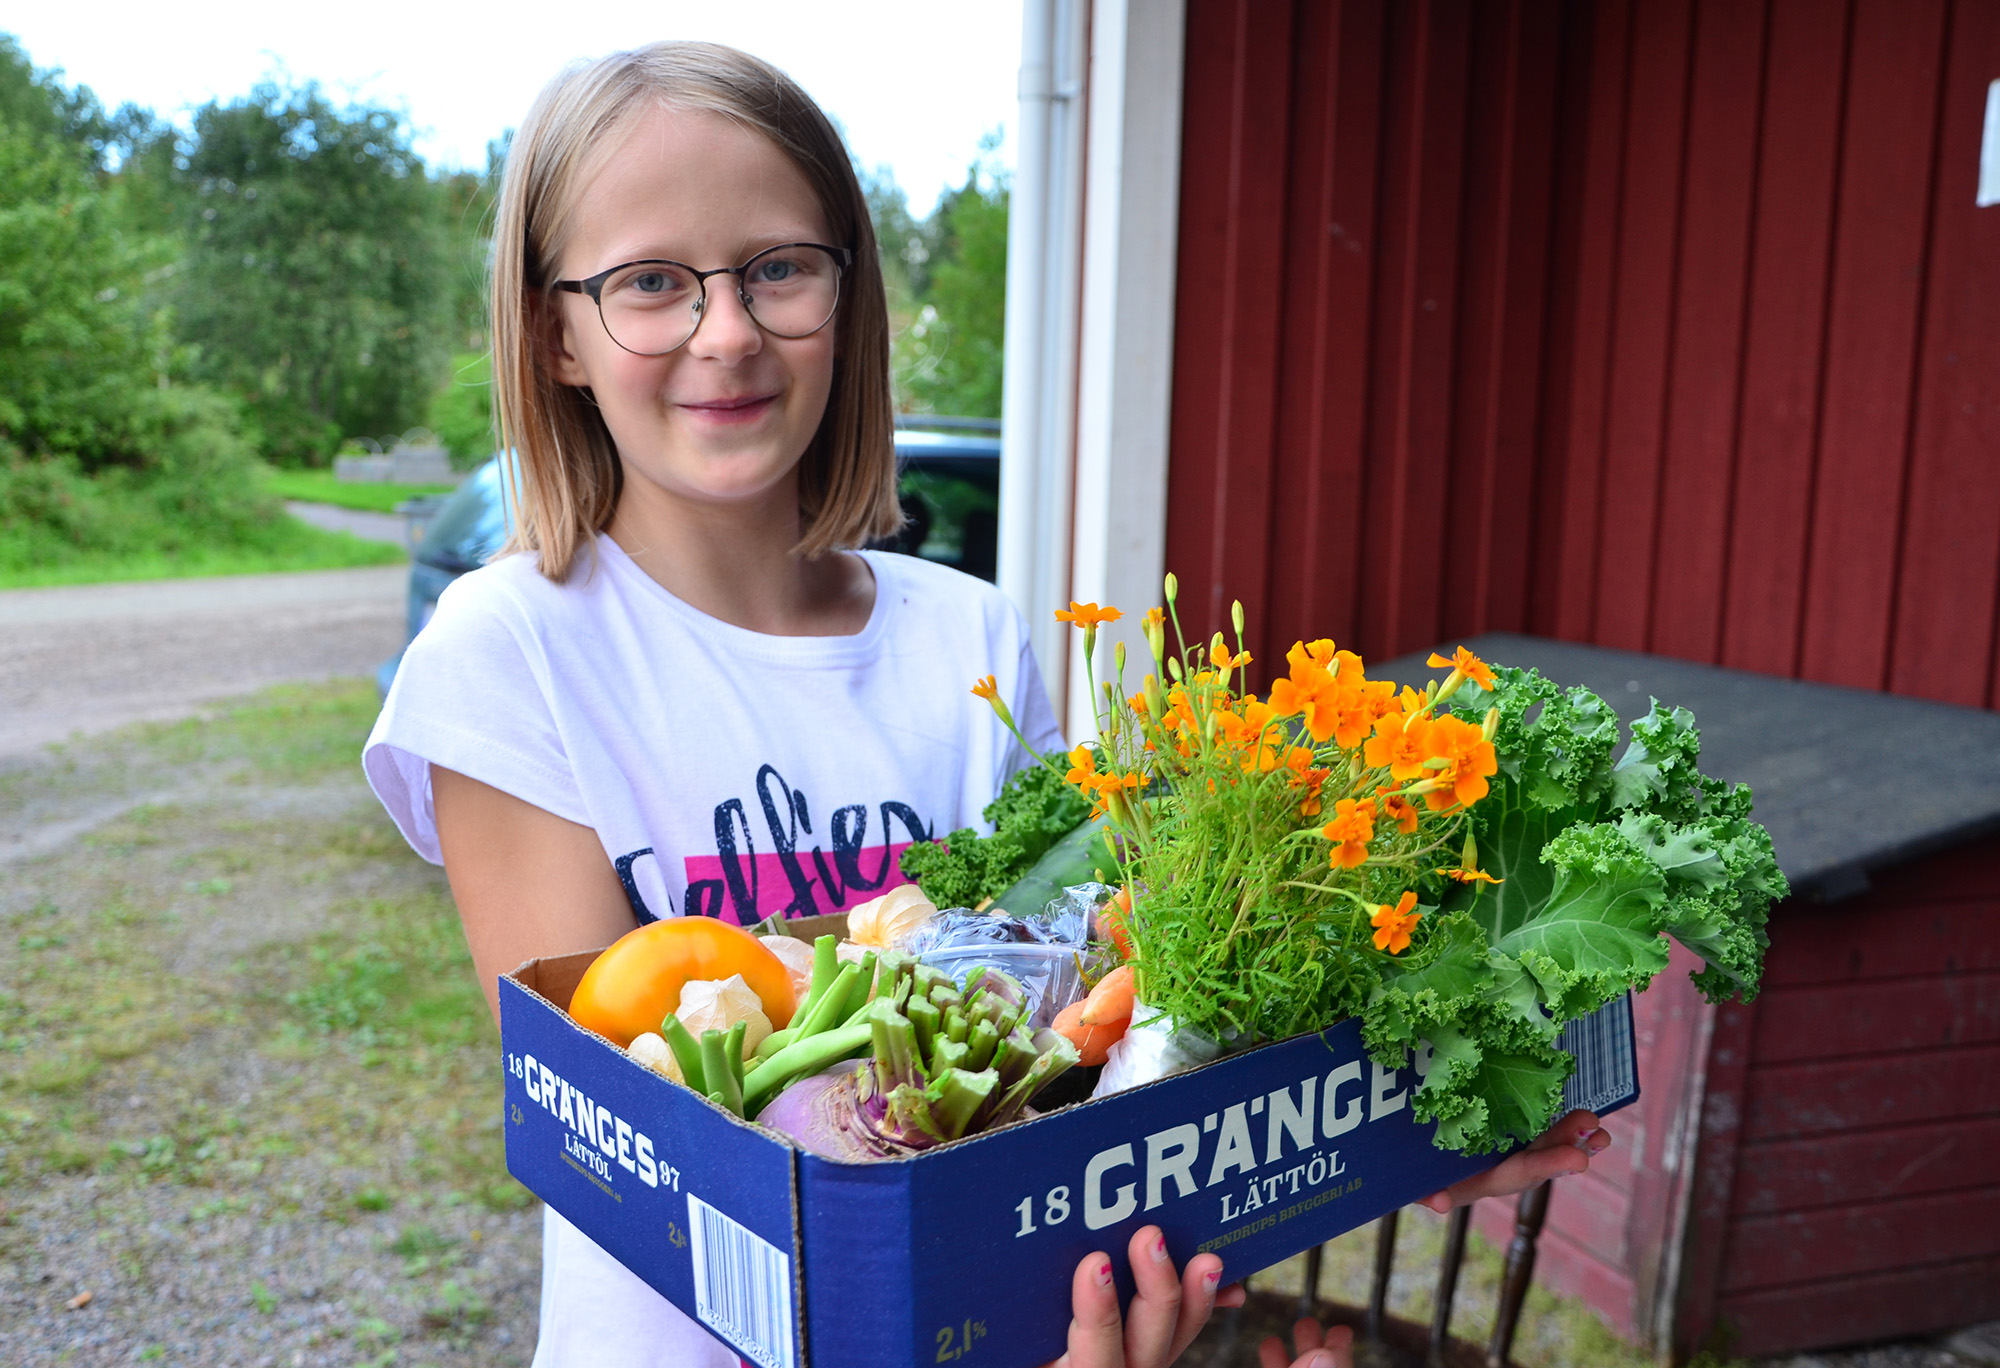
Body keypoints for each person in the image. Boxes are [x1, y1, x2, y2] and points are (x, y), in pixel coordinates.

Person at [362, 40, 1608, 1368]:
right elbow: (609, 1127)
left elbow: (1087, 1030)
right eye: (650, 283)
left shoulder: (968, 633)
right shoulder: (512, 653)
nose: (725, 330)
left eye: (778, 267)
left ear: (847, 293)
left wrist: (1384, 1136)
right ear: (555, 329)